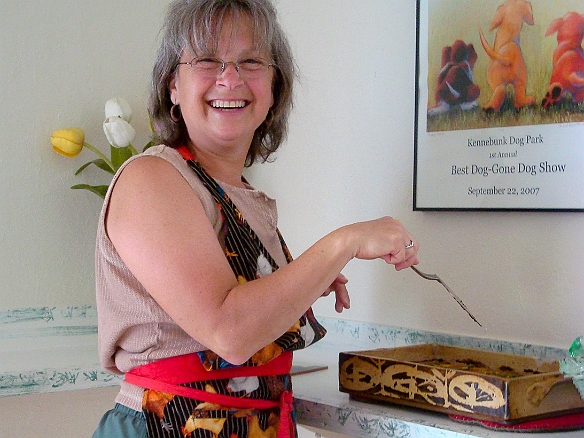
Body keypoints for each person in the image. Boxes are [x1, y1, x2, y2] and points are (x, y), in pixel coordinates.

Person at [92, 0, 419, 437]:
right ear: (173, 84)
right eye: (208, 60)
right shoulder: (150, 178)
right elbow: (229, 331)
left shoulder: (241, 193)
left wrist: (307, 279)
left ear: (273, 85)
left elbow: (241, 310)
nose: (231, 78)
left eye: (251, 61)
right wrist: (344, 242)